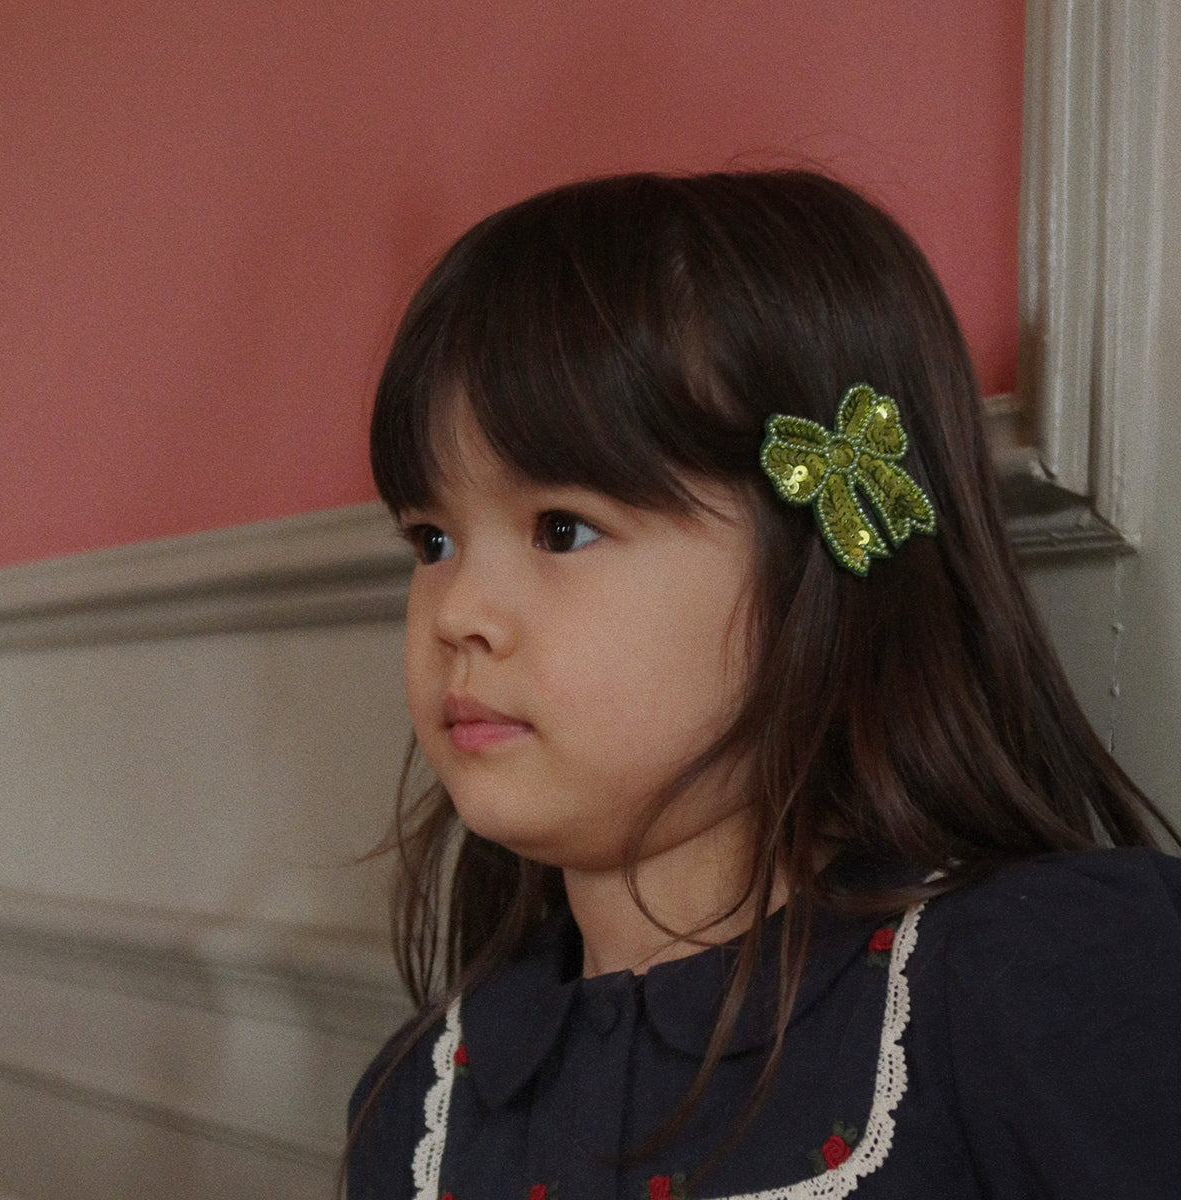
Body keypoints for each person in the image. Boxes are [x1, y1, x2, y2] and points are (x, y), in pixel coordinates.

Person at [346, 171, 1181, 1199]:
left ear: (819, 560)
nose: (458, 612)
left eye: (562, 529)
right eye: (431, 540)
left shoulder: (1045, 984)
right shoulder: (417, 1104)